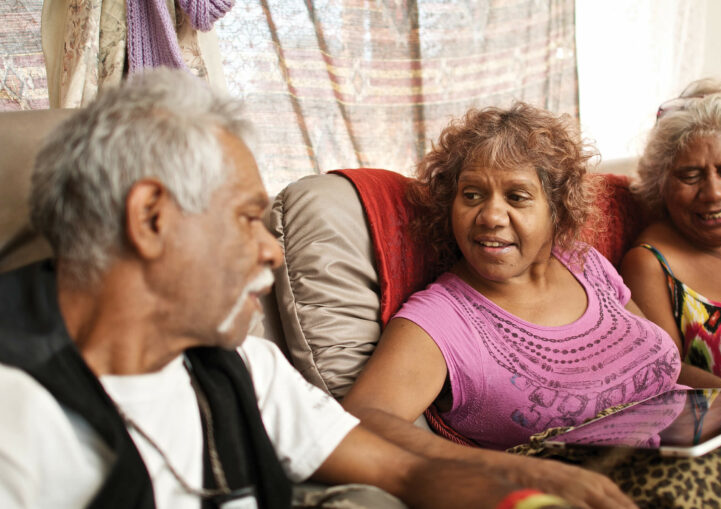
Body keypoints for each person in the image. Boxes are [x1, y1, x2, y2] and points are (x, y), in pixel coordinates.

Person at [0, 69, 579, 509]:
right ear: (152, 218)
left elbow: (405, 474)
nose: (273, 250)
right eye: (248, 217)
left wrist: (527, 491)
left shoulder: (238, 364)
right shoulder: (18, 412)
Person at [342, 104, 680, 457]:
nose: (490, 216)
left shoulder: (584, 262)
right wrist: (513, 471)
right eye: (471, 195)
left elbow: (663, 363)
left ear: (557, 209)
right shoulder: (440, 321)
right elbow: (359, 428)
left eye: (516, 197)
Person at [621, 80, 721, 388]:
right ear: (661, 183)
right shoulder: (651, 265)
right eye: (690, 176)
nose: (714, 193)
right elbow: (666, 373)